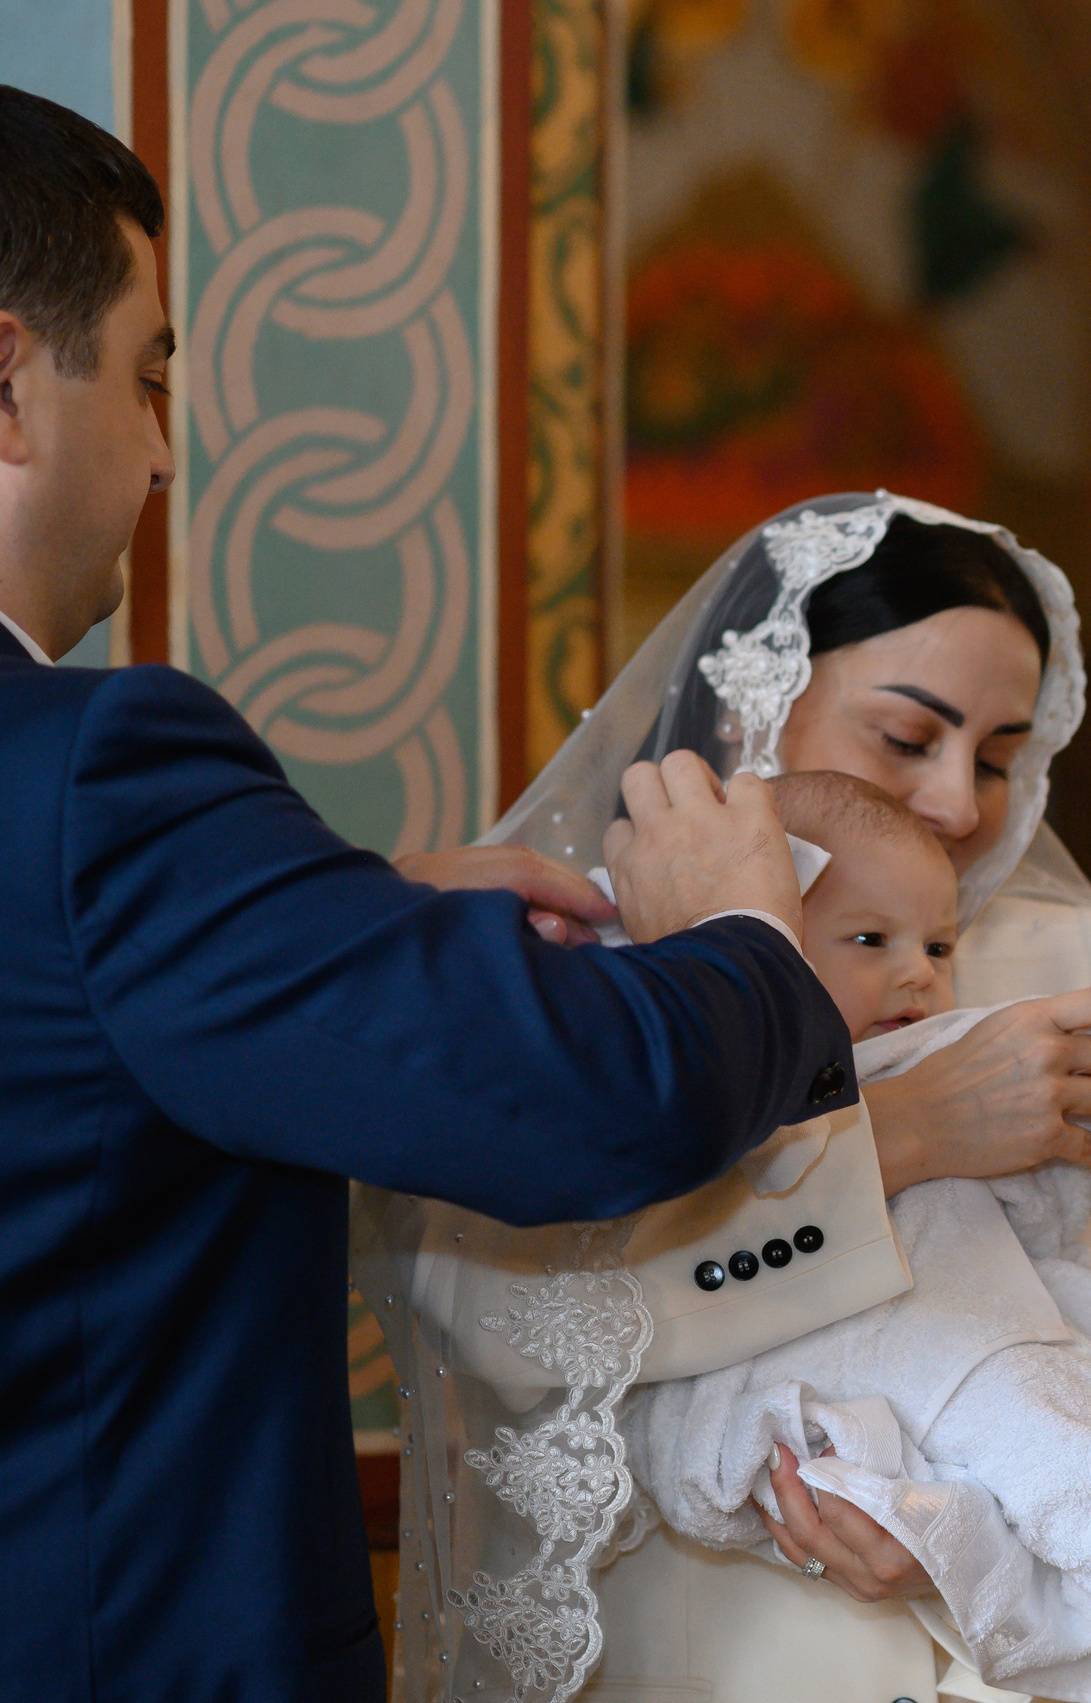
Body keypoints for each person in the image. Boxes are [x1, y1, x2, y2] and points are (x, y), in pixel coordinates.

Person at [0, 87, 872, 1702]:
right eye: (143, 375)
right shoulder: (96, 770)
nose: (165, 453)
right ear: (6, 386)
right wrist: (744, 929)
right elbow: (594, 1098)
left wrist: (339, 912)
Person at [366, 494, 1091, 1703]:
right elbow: (501, 1322)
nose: (957, 803)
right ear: (750, 704)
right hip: (708, 1639)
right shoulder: (576, 942)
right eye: (906, 736)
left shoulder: (1051, 949)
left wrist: (990, 1551)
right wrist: (900, 1136)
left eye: (997, 757)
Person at [627, 772, 1091, 1702]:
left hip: (977, 1335)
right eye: (870, 940)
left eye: (938, 946)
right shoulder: (716, 1080)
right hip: (872, 1372)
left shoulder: (956, 1047)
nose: (919, 973)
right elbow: (638, 1274)